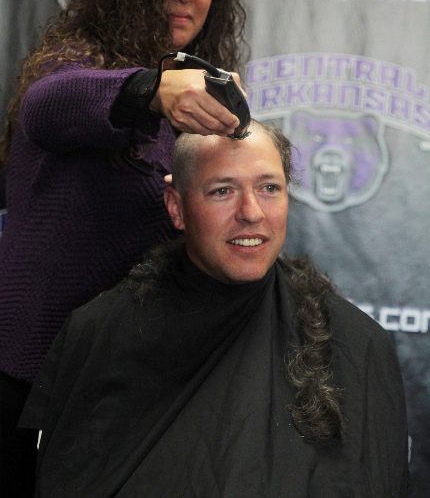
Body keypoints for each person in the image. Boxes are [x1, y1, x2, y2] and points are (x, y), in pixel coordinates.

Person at [0, 0, 247, 496]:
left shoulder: (201, 96)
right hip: (36, 383)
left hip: (132, 382)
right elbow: (46, 108)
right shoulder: (73, 63)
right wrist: (150, 90)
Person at [21, 120, 410, 497]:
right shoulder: (100, 334)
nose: (252, 212)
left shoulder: (356, 347)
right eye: (223, 191)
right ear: (176, 207)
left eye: (270, 187)